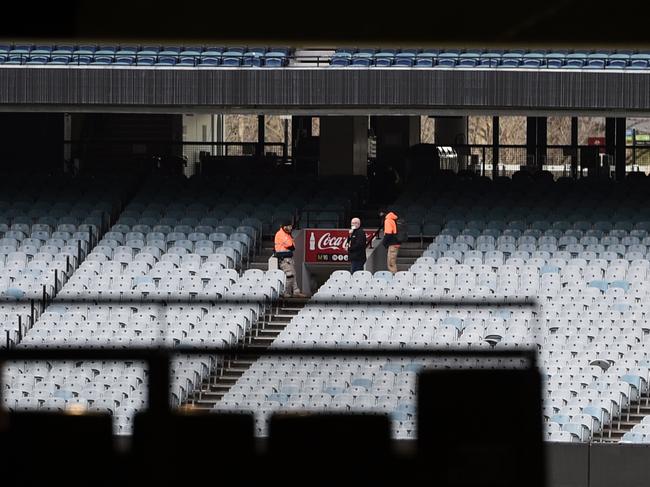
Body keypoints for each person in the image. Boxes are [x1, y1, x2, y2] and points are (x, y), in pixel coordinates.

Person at [274, 221, 306, 298]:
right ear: (284, 226)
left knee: (293, 275)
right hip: (284, 259)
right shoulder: (281, 234)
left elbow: (293, 246)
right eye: (289, 226)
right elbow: (290, 245)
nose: (290, 228)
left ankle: (296, 291)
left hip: (288, 258)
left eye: (291, 226)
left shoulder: (287, 234)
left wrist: (291, 245)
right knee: (290, 275)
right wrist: (291, 246)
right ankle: (284, 292)